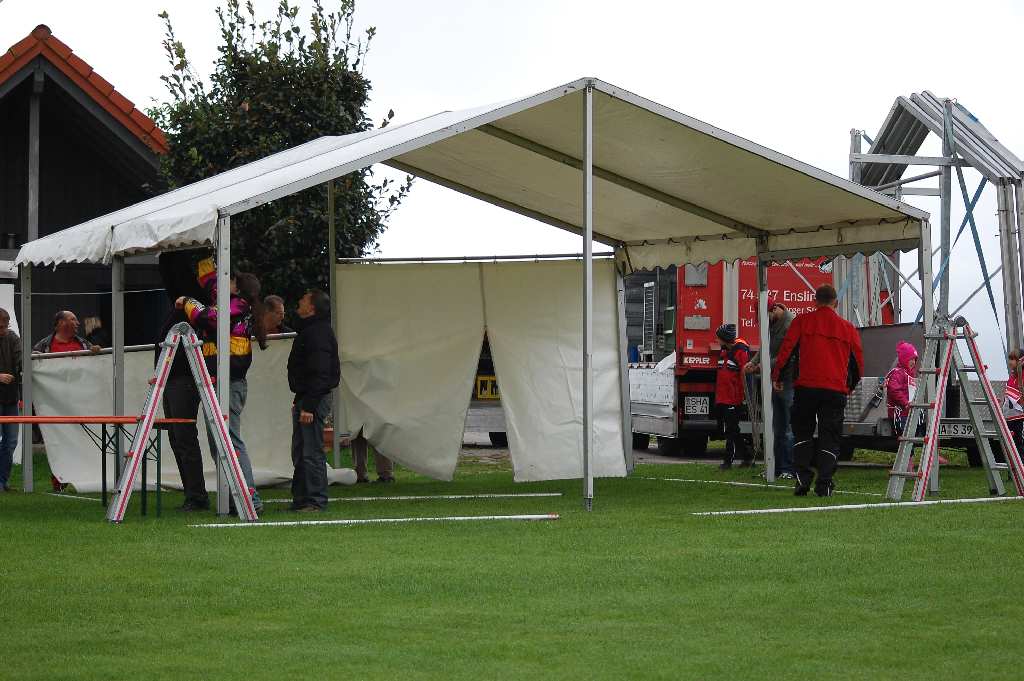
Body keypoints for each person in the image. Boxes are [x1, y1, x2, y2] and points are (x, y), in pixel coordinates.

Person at [176, 257, 267, 513]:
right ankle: (235, 498)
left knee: (230, 442)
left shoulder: (237, 306)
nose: (220, 285)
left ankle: (250, 499)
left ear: (236, 286)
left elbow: (207, 317)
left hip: (228, 384)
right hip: (220, 383)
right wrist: (205, 255)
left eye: (228, 280)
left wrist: (187, 302)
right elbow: (212, 284)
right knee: (220, 444)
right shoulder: (234, 302)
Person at [773, 284, 863, 497]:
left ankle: (802, 479)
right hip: (835, 389)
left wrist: (777, 376)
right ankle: (824, 484)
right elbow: (858, 362)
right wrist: (850, 386)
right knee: (829, 436)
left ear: (815, 302)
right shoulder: (848, 328)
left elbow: (786, 350)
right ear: (836, 303)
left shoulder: (802, 321)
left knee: (802, 433)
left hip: (806, 387)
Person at [156, 250, 211, 511]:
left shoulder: (192, 307)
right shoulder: (177, 309)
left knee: (184, 436)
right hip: (172, 379)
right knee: (178, 438)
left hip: (183, 379)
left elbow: (181, 282)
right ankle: (193, 493)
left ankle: (197, 495)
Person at [287, 289, 340, 511]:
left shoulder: (317, 333)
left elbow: (320, 373)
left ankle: (316, 500)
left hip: (313, 399)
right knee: (301, 451)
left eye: (303, 299)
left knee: (311, 451)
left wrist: (308, 405)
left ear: (312, 307)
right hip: (307, 397)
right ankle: (302, 499)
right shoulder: (312, 330)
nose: (299, 302)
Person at [743, 302, 796, 478]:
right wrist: (753, 362)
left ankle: (788, 469)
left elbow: (787, 356)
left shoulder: (790, 325)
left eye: (765, 317)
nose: (764, 322)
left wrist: (761, 365)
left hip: (788, 380)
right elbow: (765, 347)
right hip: (776, 379)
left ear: (774, 310)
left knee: (787, 427)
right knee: (776, 427)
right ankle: (776, 467)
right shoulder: (773, 323)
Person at [715, 323, 751, 470]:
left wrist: (743, 396)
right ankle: (747, 457)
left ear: (724, 338)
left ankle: (728, 461)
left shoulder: (740, 351)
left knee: (731, 430)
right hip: (723, 397)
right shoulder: (724, 350)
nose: (717, 340)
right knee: (732, 430)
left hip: (733, 398)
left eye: (718, 338)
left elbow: (744, 375)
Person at [0, 308, 20, 492]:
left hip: (10, 399)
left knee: (11, 442)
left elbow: (21, 359)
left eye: (6, 326)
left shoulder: (12, 338)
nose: (4, 330)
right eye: (0, 327)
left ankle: (2, 481)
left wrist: (34, 359)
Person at [33, 311, 101, 354]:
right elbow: (32, 365)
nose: (78, 323)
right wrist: (35, 357)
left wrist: (97, 352)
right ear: (61, 322)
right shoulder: (43, 346)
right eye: (73, 319)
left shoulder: (84, 344)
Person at [1003, 349, 1024, 454]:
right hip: (1009, 418)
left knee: (1019, 446)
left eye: (1013, 359)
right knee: (1011, 448)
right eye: (1010, 359)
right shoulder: (1011, 378)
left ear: (1021, 361)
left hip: (1020, 419)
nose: (1010, 362)